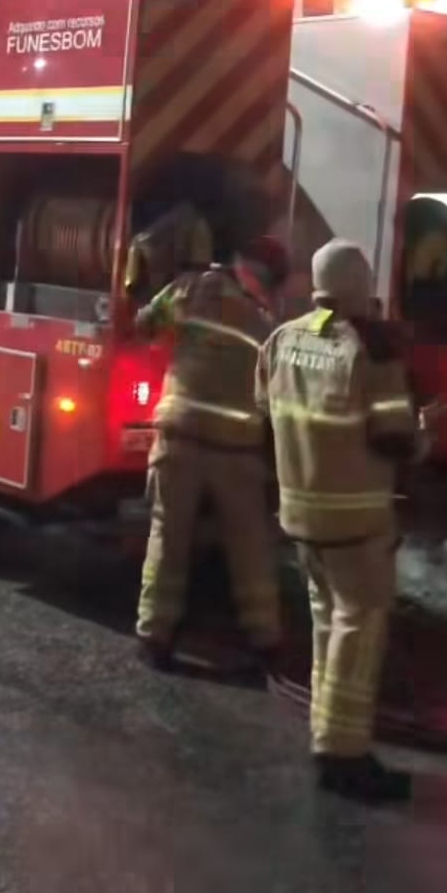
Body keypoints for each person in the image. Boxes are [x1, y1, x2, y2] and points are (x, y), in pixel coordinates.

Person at [255, 239, 421, 804]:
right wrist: (433, 432)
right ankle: (344, 756)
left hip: (301, 514)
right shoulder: (370, 350)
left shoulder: (284, 337)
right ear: (363, 284)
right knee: (358, 629)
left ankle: (328, 737)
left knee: (328, 624)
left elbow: (264, 411)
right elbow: (396, 437)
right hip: (356, 519)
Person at [133, 234, 290, 671]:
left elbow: (145, 323)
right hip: (238, 450)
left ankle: (154, 637)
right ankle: (265, 640)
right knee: (250, 544)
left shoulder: (192, 288)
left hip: (180, 437)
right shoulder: (270, 324)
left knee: (168, 535)